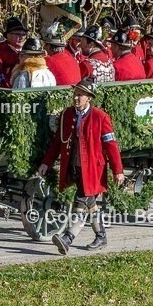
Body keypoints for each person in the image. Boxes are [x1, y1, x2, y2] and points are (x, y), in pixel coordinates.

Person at [37, 77, 125, 254]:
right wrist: (46, 163)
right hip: (74, 167)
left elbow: (111, 145)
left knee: (80, 202)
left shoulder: (101, 117)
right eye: (75, 94)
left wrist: (118, 171)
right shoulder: (67, 115)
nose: (76, 98)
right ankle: (101, 236)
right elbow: (57, 143)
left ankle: (68, 237)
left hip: (92, 170)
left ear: (89, 98)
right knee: (91, 204)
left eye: (80, 95)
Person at [0, 17, 28, 88]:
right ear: (8, 35)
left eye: (23, 35)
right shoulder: (0, 50)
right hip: (6, 89)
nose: (21, 37)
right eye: (18, 34)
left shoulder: (26, 50)